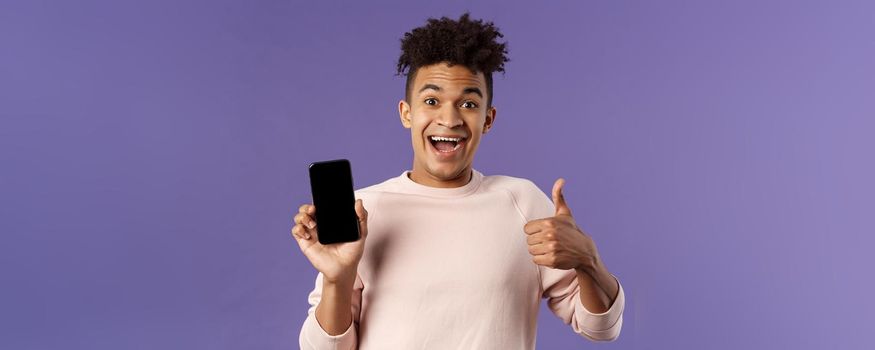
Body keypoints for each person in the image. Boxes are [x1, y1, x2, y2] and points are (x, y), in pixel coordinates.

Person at [291, 13, 624, 349]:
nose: (449, 119)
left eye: (468, 103)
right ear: (407, 112)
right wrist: (338, 278)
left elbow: (602, 328)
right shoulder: (363, 212)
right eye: (431, 101)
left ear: (488, 119)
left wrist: (588, 260)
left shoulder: (523, 203)